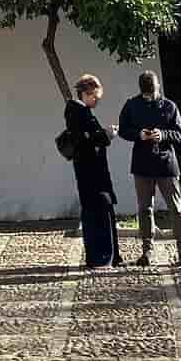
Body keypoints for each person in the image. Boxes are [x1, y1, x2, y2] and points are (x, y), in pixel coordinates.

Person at [117, 70, 181, 268]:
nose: (150, 96)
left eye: (153, 92)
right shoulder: (132, 105)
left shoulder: (169, 106)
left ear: (158, 87)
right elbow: (123, 130)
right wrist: (139, 134)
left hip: (166, 164)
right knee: (144, 209)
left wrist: (163, 134)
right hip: (142, 164)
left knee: (176, 209)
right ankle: (147, 251)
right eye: (147, 94)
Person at [64, 74, 122, 271]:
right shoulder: (76, 112)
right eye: (95, 97)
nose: (97, 101)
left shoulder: (83, 111)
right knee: (96, 213)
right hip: (90, 173)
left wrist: (104, 134)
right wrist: (106, 135)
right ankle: (100, 258)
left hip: (95, 172)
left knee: (103, 211)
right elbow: (84, 141)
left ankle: (110, 256)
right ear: (85, 94)